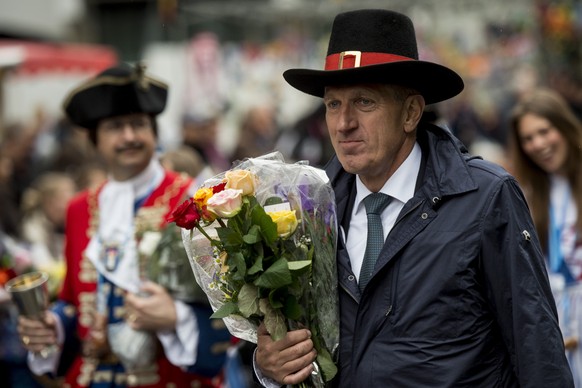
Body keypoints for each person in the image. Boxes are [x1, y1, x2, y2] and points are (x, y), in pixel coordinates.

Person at [254, 9, 574, 387]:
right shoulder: (309, 211)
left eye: (364, 103)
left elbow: (537, 347)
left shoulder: (486, 197)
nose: (344, 124)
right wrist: (268, 364)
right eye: (333, 104)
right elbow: (298, 344)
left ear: (410, 112)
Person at [15, 63, 231, 387]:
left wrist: (176, 317)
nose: (129, 136)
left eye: (138, 124)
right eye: (116, 126)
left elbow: (231, 304)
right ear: (95, 140)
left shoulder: (194, 198)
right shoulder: (78, 209)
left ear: (154, 132)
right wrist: (52, 324)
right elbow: (73, 303)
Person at [507, 87, 582, 385]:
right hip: (558, 338)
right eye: (528, 138)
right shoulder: (527, 194)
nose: (538, 144)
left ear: (563, 126)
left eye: (544, 131)